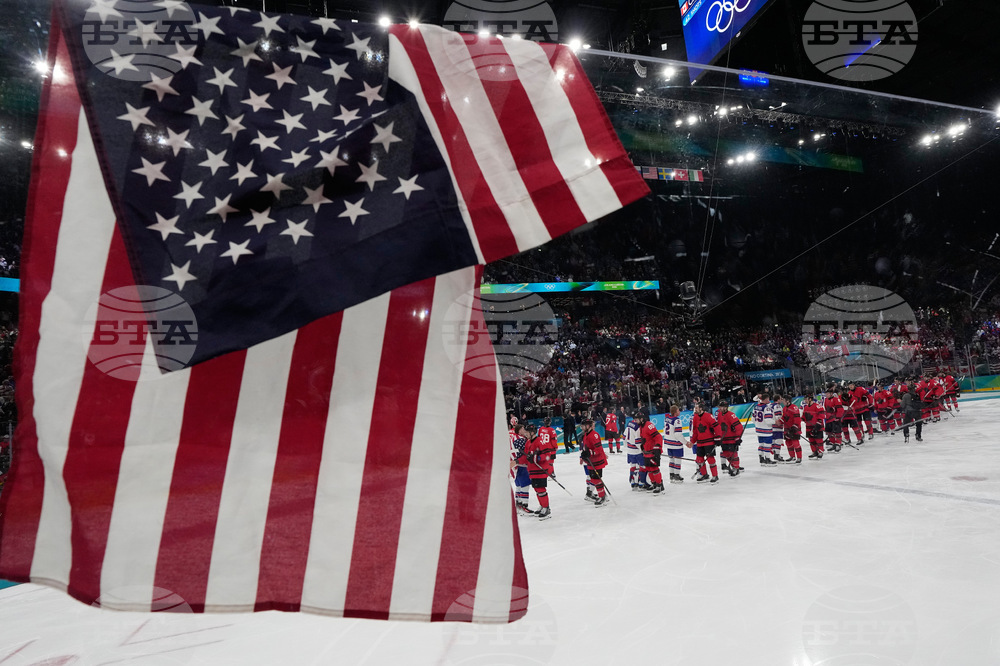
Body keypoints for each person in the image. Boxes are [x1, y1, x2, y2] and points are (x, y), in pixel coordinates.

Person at [525, 423, 557, 520]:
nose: (526, 434)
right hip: (532, 470)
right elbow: (527, 455)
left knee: (541, 489)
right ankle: (542, 505)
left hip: (540, 470)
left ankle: (546, 508)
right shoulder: (528, 442)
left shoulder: (540, 441)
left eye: (527, 432)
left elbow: (547, 455)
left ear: (532, 432)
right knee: (536, 489)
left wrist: (537, 457)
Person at [689, 401, 721, 484]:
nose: (695, 409)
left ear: (701, 408)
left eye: (696, 408)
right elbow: (695, 431)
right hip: (700, 442)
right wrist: (692, 441)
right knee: (699, 460)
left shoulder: (708, 416)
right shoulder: (695, 417)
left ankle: (715, 475)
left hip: (709, 442)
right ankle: (704, 475)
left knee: (710, 459)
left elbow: (716, 427)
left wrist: (718, 437)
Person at [580, 419, 609, 508]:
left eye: (584, 426)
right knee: (594, 479)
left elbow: (598, 450)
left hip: (597, 461)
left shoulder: (594, 435)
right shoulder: (585, 435)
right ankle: (602, 495)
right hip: (591, 461)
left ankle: (602, 497)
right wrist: (583, 456)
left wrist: (590, 453)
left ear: (588, 426)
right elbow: (586, 448)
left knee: (597, 479)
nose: (582, 427)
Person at [637, 410, 665, 494]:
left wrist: (657, 447)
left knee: (654, 468)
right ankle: (654, 484)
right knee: (648, 468)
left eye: (637, 419)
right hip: (646, 451)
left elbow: (658, 437)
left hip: (652, 451)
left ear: (642, 419)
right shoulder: (641, 427)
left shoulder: (649, 425)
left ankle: (659, 485)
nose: (635, 421)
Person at [716, 400, 745, 477]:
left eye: (721, 407)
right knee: (726, 453)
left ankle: (736, 468)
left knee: (733, 453)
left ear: (725, 407)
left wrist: (738, 437)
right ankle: (733, 466)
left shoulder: (731, 415)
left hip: (732, 438)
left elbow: (739, 427)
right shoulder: (719, 415)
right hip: (724, 438)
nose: (719, 408)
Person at [510, 424, 533, 515]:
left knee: (519, 485)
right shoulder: (521, 440)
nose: (524, 430)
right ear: (519, 430)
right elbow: (523, 454)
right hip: (522, 465)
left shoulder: (515, 438)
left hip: (517, 466)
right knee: (525, 485)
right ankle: (524, 505)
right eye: (523, 428)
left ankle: (518, 503)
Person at [663, 405, 688, 484]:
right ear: (675, 412)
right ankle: (677, 475)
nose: (679, 412)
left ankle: (672, 475)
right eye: (678, 410)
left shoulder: (667, 418)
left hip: (668, 442)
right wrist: (686, 442)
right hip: (675, 443)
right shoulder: (677, 420)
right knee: (677, 459)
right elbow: (678, 435)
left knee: (671, 459)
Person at [623, 412, 646, 490]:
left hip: (630, 450)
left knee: (633, 465)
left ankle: (633, 482)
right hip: (637, 450)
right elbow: (637, 441)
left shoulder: (629, 424)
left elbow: (624, 436)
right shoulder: (638, 426)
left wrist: (627, 446)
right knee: (642, 466)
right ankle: (641, 482)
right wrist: (642, 450)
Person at [752, 393, 777, 466]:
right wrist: (775, 422)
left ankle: (761, 458)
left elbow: (753, 419)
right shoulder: (766, 408)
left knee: (761, 445)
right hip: (766, 429)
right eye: (768, 399)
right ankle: (767, 459)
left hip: (758, 430)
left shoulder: (756, 407)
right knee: (767, 445)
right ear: (766, 399)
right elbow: (768, 420)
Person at [801, 393, 825, 459]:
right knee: (811, 440)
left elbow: (822, 415)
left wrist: (818, 423)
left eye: (806, 399)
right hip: (809, 426)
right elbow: (803, 416)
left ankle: (820, 451)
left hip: (817, 426)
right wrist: (801, 419)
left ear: (810, 399)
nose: (805, 400)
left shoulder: (817, 406)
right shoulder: (805, 407)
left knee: (818, 439)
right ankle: (814, 451)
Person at [780, 396, 803, 463]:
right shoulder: (784, 408)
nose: (782, 402)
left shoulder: (794, 408)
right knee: (788, 442)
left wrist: (794, 427)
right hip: (787, 428)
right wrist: (779, 421)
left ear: (788, 401)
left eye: (784, 400)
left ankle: (799, 457)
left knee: (795, 443)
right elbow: (784, 417)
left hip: (794, 428)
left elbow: (797, 419)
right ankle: (792, 456)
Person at [823, 384, 845, 453]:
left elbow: (840, 409)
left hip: (835, 419)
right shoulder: (826, 400)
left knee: (837, 432)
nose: (826, 395)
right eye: (826, 393)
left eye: (828, 393)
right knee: (830, 432)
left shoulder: (836, 399)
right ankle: (833, 444)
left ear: (831, 393)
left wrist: (838, 417)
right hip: (829, 419)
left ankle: (838, 444)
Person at [771, 393, 786, 462]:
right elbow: (778, 416)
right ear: (778, 399)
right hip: (777, 425)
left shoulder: (771, 405)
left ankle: (775, 453)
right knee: (779, 440)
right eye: (781, 398)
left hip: (771, 426)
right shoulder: (778, 406)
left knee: (774, 440)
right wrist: (780, 422)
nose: (781, 400)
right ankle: (777, 454)